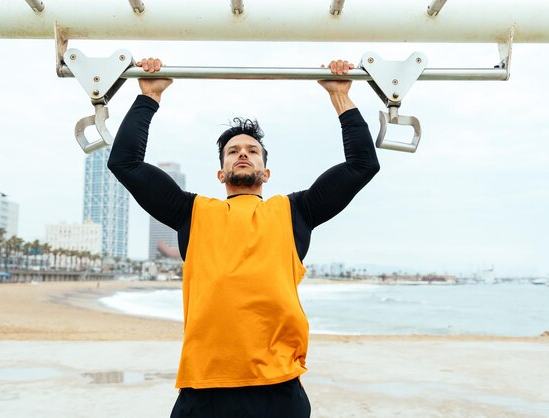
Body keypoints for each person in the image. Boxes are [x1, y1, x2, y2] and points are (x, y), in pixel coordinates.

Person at [108, 57, 380, 418]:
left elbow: (363, 165)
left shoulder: (294, 211)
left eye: (251, 151)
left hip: (277, 390)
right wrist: (149, 97)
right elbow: (124, 163)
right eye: (233, 151)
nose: (242, 154)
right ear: (221, 172)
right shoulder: (192, 212)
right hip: (204, 389)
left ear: (265, 171)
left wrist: (340, 97)